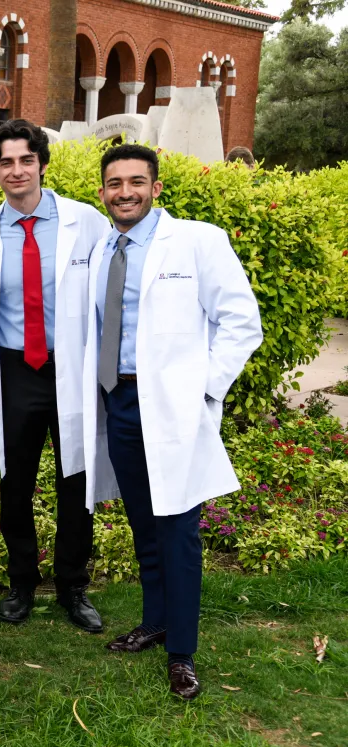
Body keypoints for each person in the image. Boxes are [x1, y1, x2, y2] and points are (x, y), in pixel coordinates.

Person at [82, 144, 262, 700]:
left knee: (180, 530)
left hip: (175, 407)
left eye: (137, 181)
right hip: (120, 403)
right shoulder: (101, 248)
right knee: (144, 524)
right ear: (103, 192)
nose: (126, 192)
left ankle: (181, 651)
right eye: (115, 183)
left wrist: (203, 389)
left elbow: (241, 321)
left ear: (156, 188)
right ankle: (154, 620)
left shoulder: (198, 241)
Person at [0, 119, 115, 633]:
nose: (17, 170)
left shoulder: (86, 222)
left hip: (69, 366)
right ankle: (22, 582)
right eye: (6, 162)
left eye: (26, 159)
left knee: (77, 478)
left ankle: (73, 585)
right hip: (12, 370)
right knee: (15, 482)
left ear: (42, 164)